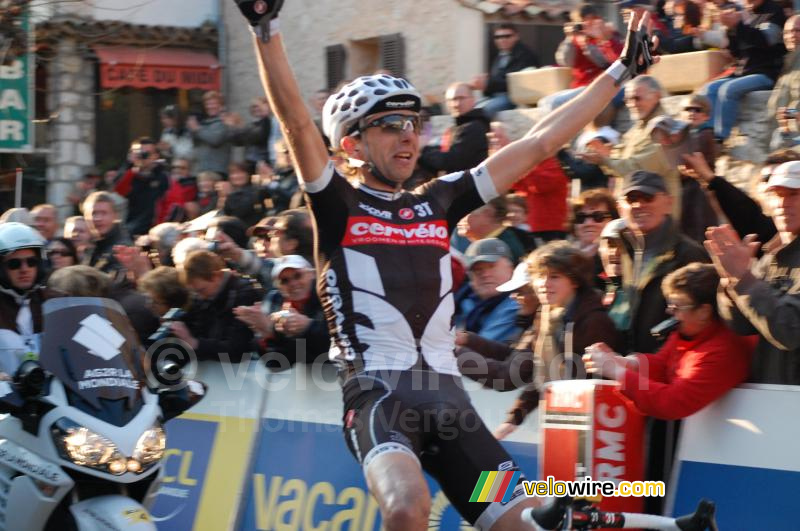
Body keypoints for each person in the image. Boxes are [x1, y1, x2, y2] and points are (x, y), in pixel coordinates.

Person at [235, 2, 656, 527]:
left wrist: (620, 70)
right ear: (351, 144)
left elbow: (542, 141)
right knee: (407, 508)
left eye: (414, 122)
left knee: (527, 523)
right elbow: (297, 124)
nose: (409, 134)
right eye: (390, 124)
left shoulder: (440, 199)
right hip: (380, 400)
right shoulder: (338, 202)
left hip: (452, 409)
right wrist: (266, 30)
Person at [584, 262, 752, 514]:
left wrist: (617, 373)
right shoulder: (690, 331)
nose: (669, 312)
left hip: (724, 463)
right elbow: (664, 364)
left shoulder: (723, 350)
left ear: (704, 311)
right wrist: (625, 362)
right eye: (669, 304)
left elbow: (673, 401)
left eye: (677, 306)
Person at [457, 241, 622, 439]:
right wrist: (513, 419)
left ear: (574, 281)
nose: (544, 284)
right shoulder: (547, 316)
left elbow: (591, 386)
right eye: (540, 276)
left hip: (596, 430)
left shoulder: (593, 322)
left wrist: (454, 352)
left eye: (554, 277)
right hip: (566, 421)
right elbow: (537, 372)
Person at [709, 161, 800, 385]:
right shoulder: (770, 255)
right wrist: (731, 281)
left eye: (794, 194)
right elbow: (741, 326)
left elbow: (790, 331)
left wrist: (745, 279)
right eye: (776, 194)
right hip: (770, 394)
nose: (782, 203)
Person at [610, 171, 708, 354]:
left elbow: (703, 320)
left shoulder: (687, 254)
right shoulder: (624, 251)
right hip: (635, 363)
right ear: (620, 208)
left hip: (673, 362)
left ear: (668, 203)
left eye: (648, 197)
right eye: (631, 199)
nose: (639, 205)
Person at [580, 76, 681, 219]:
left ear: (657, 96)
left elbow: (638, 170)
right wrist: (607, 153)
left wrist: (604, 160)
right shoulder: (638, 127)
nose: (632, 104)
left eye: (637, 98)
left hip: (656, 216)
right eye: (628, 100)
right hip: (636, 213)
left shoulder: (663, 128)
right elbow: (623, 158)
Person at [699, 0, 786, 142]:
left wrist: (738, 24)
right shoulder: (744, 13)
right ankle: (706, 135)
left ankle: (720, 139)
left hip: (767, 72)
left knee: (728, 89)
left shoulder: (774, 11)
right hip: (744, 72)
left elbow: (765, 40)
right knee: (709, 89)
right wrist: (730, 29)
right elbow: (736, 52)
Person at [234, 255, 329, 369]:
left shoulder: (329, 296)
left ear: (312, 274)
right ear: (278, 286)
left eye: (298, 276)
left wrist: (309, 326)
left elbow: (337, 347)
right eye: (284, 281)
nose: (293, 283)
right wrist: (267, 335)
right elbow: (276, 364)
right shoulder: (275, 301)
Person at [171, 250, 262, 363]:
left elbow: (237, 348)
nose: (201, 297)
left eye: (202, 290)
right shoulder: (203, 299)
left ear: (216, 276)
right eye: (195, 293)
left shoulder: (243, 294)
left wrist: (194, 342)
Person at [0, 223, 53, 374]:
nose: (25, 269)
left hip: (53, 387)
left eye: (31, 262)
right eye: (14, 264)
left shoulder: (53, 300)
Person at [454, 239, 521, 343]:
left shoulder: (519, 303)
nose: (485, 274)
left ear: (511, 268)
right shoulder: (462, 301)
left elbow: (480, 347)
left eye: (491, 266)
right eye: (477, 269)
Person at [419, 82, 490, 174]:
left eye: (461, 98)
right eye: (451, 100)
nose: (456, 104)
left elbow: (451, 161)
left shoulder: (474, 127)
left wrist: (423, 150)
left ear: (473, 100)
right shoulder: (457, 128)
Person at [471, 23, 540, 117]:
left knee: (488, 109)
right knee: (471, 108)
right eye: (498, 37)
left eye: (507, 36)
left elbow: (517, 82)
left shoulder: (525, 55)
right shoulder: (500, 56)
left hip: (513, 96)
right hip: (497, 95)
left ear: (516, 36)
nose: (502, 40)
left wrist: (487, 83)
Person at [113, 138, 170, 237]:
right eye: (139, 153)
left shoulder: (163, 177)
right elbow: (119, 191)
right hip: (129, 228)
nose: (143, 156)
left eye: (147, 153)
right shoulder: (127, 174)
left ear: (156, 156)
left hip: (155, 230)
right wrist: (132, 167)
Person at [82, 191, 133, 277]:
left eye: (104, 213)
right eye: (93, 213)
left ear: (115, 216)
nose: (98, 218)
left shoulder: (122, 249)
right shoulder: (90, 246)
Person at [767, 15, 800, 150]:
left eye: (797, 30)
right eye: (786, 32)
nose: (791, 36)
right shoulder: (790, 62)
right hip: (786, 134)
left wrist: (790, 113)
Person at [186, 91, 236, 176]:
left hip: (217, 170)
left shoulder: (225, 121)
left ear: (221, 105)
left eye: (213, 104)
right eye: (207, 104)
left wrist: (197, 129)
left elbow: (215, 139)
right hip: (203, 169)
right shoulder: (205, 122)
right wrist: (192, 129)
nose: (210, 107)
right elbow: (196, 143)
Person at [156, 157, 198, 224]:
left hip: (178, 223)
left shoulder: (194, 185)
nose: (177, 170)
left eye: (182, 168)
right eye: (174, 167)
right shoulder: (163, 181)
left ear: (189, 170)